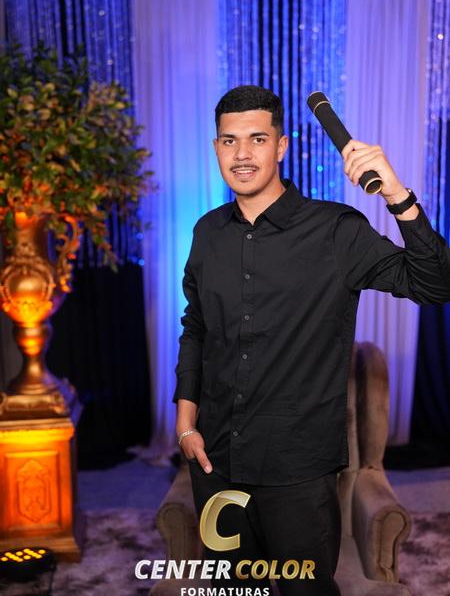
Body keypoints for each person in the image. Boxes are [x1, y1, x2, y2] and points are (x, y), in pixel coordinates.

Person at [172, 85, 450, 595]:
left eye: (257, 139)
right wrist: (186, 422)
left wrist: (396, 193)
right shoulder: (207, 232)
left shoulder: (336, 230)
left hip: (297, 470)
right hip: (216, 462)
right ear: (216, 148)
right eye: (230, 141)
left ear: (281, 146)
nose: (242, 154)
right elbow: (197, 326)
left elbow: (435, 284)